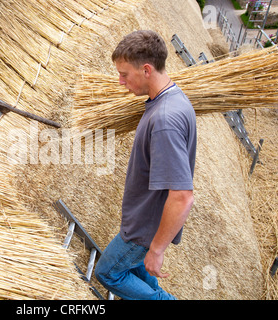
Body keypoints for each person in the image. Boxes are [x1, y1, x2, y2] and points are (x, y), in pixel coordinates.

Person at [94, 30, 197, 300]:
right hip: (143, 220)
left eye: (125, 74)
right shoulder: (171, 98)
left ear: (147, 70)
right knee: (133, 269)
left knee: (108, 273)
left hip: (144, 228)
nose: (120, 82)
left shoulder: (165, 120)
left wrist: (157, 249)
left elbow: (183, 196)